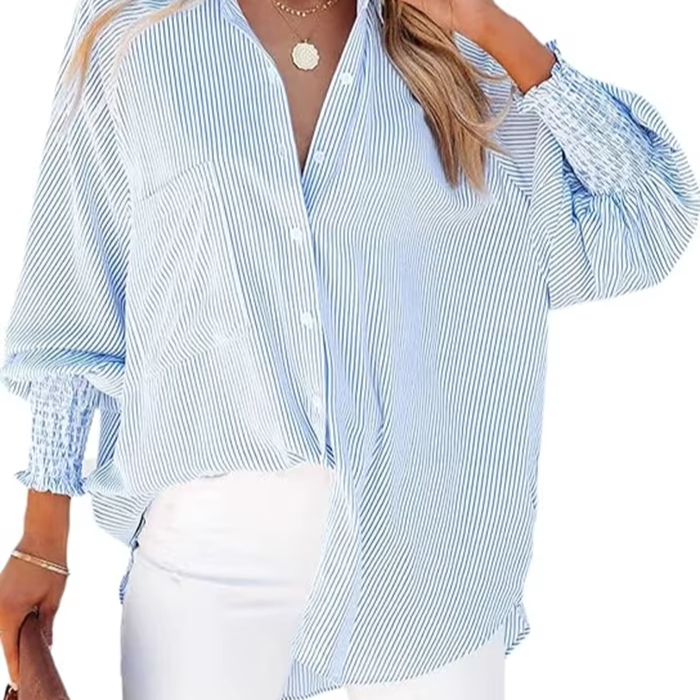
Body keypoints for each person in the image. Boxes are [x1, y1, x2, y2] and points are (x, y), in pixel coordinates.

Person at [0, 0, 698, 698]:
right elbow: (77, 301)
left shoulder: (459, 56)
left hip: (431, 585)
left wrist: (490, 27)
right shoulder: (136, 30)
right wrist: (42, 540)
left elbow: (650, 212)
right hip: (205, 572)